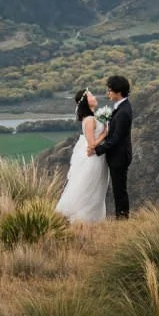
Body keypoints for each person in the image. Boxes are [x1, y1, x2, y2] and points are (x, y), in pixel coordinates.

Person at [54, 88, 111, 222]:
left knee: (95, 190)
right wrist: (105, 134)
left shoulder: (91, 117)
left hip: (98, 159)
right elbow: (92, 145)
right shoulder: (90, 119)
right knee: (90, 190)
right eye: (91, 95)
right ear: (86, 101)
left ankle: (92, 220)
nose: (94, 96)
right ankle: (84, 219)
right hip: (94, 160)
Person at [93, 74, 133, 219]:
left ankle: (122, 217)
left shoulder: (124, 111)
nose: (107, 93)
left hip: (120, 156)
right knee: (118, 188)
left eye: (109, 90)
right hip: (117, 155)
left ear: (118, 91)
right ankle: (121, 216)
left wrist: (99, 149)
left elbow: (117, 137)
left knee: (119, 189)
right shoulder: (121, 107)